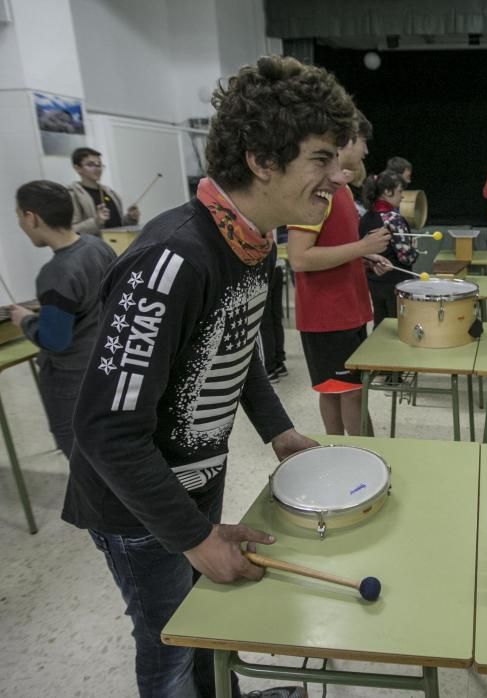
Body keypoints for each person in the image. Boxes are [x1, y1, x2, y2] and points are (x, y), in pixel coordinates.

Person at [61, 55, 355, 698]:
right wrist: (193, 537)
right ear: (261, 160)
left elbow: (234, 341)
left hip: (197, 476)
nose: (341, 174)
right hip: (137, 506)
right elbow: (105, 431)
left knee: (203, 625)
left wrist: (278, 430)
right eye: (322, 157)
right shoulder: (171, 261)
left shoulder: (253, 240)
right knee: (168, 642)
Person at [287, 111, 391, 437]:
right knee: (347, 392)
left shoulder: (341, 188)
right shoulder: (318, 189)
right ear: (346, 141)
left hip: (347, 311)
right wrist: (360, 248)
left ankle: (339, 456)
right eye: (363, 143)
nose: (366, 152)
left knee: (336, 390)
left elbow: (333, 246)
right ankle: (367, 460)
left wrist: (362, 257)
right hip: (327, 316)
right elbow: (300, 258)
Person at [7, 180, 116, 457]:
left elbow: (55, 340)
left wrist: (26, 320)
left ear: (31, 218)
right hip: (106, 368)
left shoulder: (56, 273)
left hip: (72, 381)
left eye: (19, 216)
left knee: (82, 459)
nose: (20, 223)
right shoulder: (97, 247)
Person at [359, 169, 418, 327]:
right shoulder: (394, 219)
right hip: (396, 284)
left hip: (374, 282)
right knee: (398, 328)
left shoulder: (365, 218)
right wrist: (414, 247)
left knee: (380, 326)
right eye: (400, 191)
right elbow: (407, 257)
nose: (403, 196)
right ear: (387, 191)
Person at [67, 147, 140, 235]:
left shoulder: (110, 193)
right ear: (77, 168)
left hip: (118, 244)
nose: (97, 168)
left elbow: (116, 225)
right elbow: (71, 231)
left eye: (99, 165)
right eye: (90, 165)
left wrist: (130, 218)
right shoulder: (72, 194)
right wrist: (96, 221)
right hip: (95, 247)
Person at [260, 226, 289, 382]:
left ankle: (270, 367)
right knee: (276, 318)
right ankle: (279, 362)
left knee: (266, 322)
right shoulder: (272, 213)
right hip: (277, 266)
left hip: (263, 268)